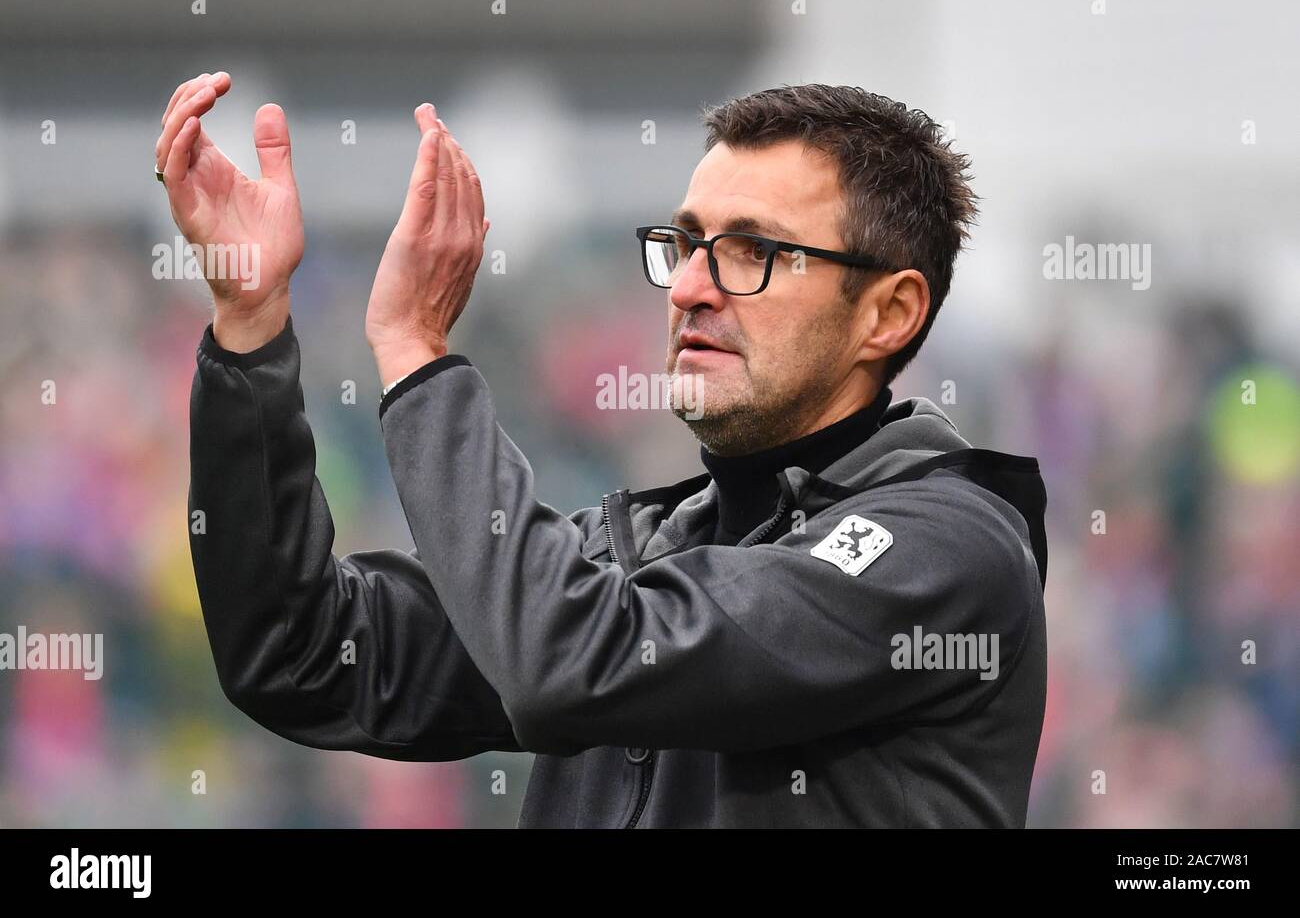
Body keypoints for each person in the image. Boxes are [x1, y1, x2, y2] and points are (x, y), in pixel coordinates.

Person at [160, 74, 1048, 827]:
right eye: (689, 243)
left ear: (888, 313)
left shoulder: (946, 549)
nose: (693, 287)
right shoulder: (641, 554)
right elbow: (303, 656)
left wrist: (417, 353)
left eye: (753, 253)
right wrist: (251, 329)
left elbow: (574, 666)